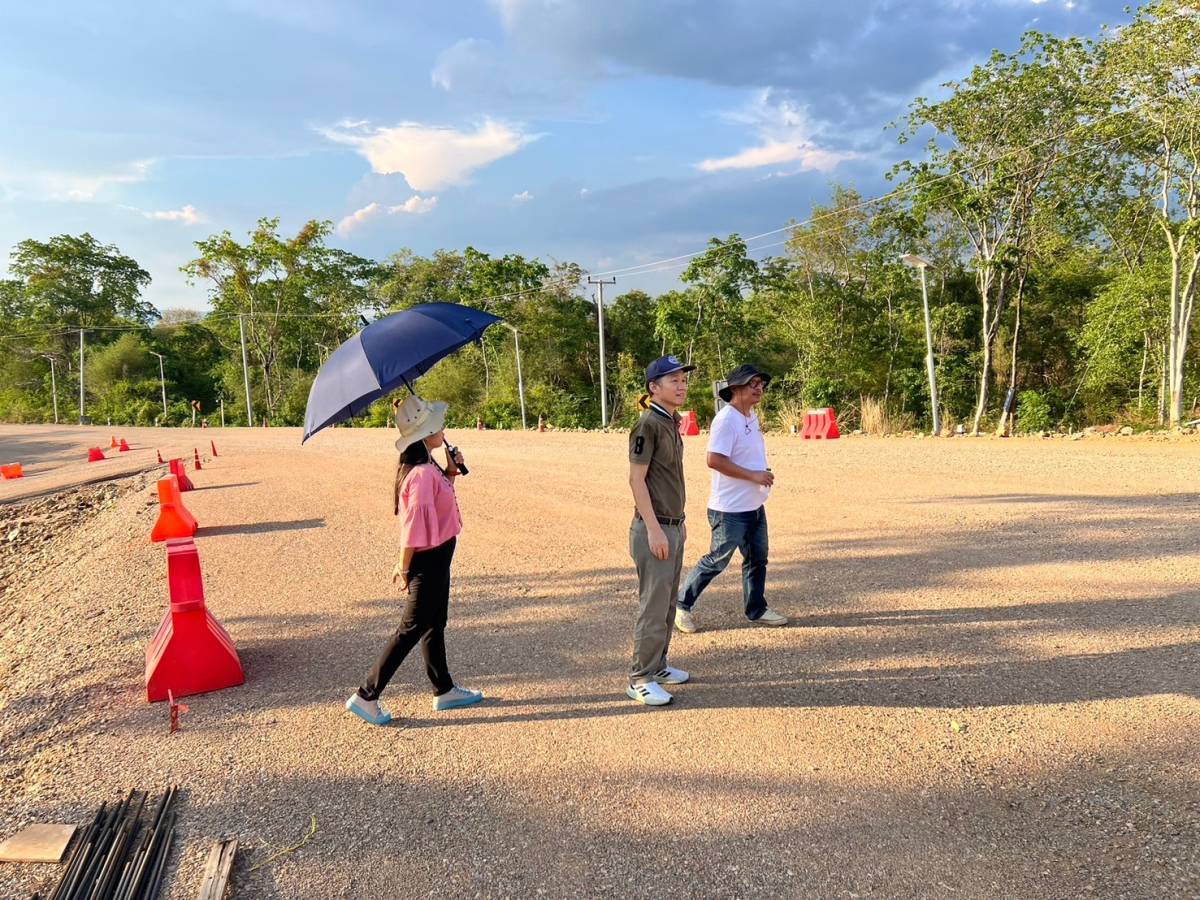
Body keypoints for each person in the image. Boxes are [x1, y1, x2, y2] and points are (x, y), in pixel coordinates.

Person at [345, 395, 484, 726]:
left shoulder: (428, 466)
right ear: (425, 434)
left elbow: (439, 501)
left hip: (439, 554)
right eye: (438, 425)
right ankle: (366, 695)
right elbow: (413, 526)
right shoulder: (420, 474)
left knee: (435, 622)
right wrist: (403, 566)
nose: (443, 429)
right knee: (411, 628)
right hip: (428, 558)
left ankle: (443, 689)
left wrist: (451, 470)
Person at [675, 364, 788, 633]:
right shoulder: (726, 420)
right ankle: (681, 605)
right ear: (736, 388)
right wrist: (753, 475)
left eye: (761, 384)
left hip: (754, 505)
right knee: (717, 560)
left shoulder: (750, 416)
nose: (759, 388)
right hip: (729, 509)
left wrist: (761, 472)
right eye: (753, 384)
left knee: (757, 558)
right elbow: (714, 460)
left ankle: (756, 609)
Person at [626, 355, 695, 706]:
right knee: (653, 607)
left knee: (667, 604)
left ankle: (658, 666)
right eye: (674, 381)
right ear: (654, 387)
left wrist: (677, 525)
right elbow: (636, 480)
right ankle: (640, 678)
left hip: (673, 525)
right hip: (655, 528)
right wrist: (654, 530)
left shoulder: (671, 420)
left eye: (683, 380)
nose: (682, 386)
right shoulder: (647, 425)